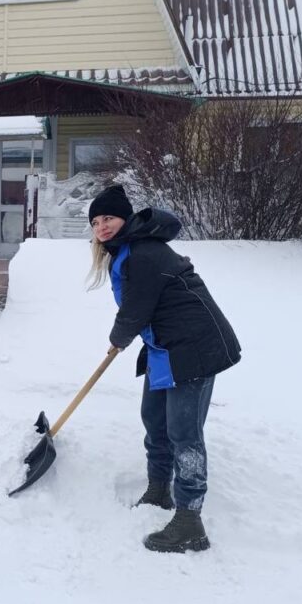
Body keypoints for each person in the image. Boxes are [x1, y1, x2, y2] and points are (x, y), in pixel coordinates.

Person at [88, 185, 241, 553]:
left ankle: (190, 521)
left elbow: (137, 308)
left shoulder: (143, 253)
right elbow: (141, 309)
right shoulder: (126, 252)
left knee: (184, 433)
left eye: (108, 218)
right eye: (95, 222)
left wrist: (119, 337)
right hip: (166, 348)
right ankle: (159, 490)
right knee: (154, 419)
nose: (102, 226)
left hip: (195, 348)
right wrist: (126, 335)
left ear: (125, 219)